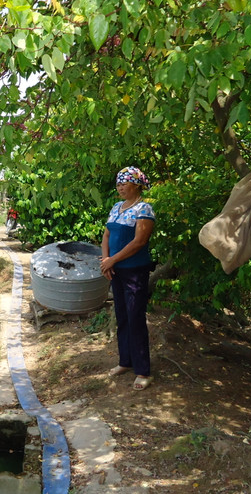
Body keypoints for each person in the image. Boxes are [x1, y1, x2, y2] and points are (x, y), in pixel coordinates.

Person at [100, 166, 156, 391]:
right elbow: (106, 235)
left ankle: (143, 371)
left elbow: (139, 241)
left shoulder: (144, 209)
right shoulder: (116, 207)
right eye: (118, 184)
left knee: (135, 318)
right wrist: (106, 261)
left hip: (134, 271)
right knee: (122, 316)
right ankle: (125, 361)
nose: (120, 187)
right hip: (115, 270)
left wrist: (112, 260)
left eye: (124, 183)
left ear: (136, 185)